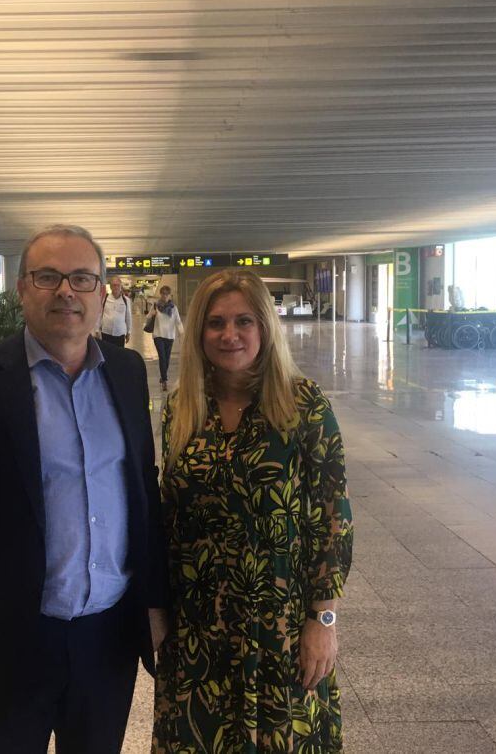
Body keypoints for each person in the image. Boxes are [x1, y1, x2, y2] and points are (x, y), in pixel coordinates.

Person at [0, 224, 169, 754]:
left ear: (102, 292)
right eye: (48, 277)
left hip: (106, 644)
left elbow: (143, 496)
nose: (66, 291)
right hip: (4, 649)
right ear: (22, 289)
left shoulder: (128, 372)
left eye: (82, 279)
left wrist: (155, 604)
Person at [152, 269, 353, 753]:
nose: (230, 335)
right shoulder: (181, 410)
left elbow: (333, 516)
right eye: (216, 323)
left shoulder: (302, 405)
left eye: (244, 321)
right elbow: (167, 515)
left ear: (265, 326)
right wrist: (156, 608)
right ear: (198, 332)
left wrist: (322, 621)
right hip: (199, 626)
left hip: (279, 624)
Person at [146, 285, 184, 392]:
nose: (165, 296)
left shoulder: (173, 308)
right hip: (158, 335)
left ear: (169, 295)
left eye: (167, 294)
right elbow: (147, 317)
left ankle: (163, 376)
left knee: (166, 359)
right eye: (163, 294)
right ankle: (165, 380)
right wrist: (152, 314)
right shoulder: (155, 306)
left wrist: (182, 333)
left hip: (170, 336)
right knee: (162, 357)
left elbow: (178, 322)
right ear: (160, 294)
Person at [99, 276, 131, 347]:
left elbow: (128, 317)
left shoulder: (126, 300)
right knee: (107, 355)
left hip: (120, 333)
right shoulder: (105, 299)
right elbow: (99, 314)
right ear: (110, 287)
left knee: (119, 355)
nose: (116, 287)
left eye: (118, 285)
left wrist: (128, 332)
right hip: (106, 332)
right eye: (114, 285)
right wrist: (97, 329)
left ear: (120, 286)